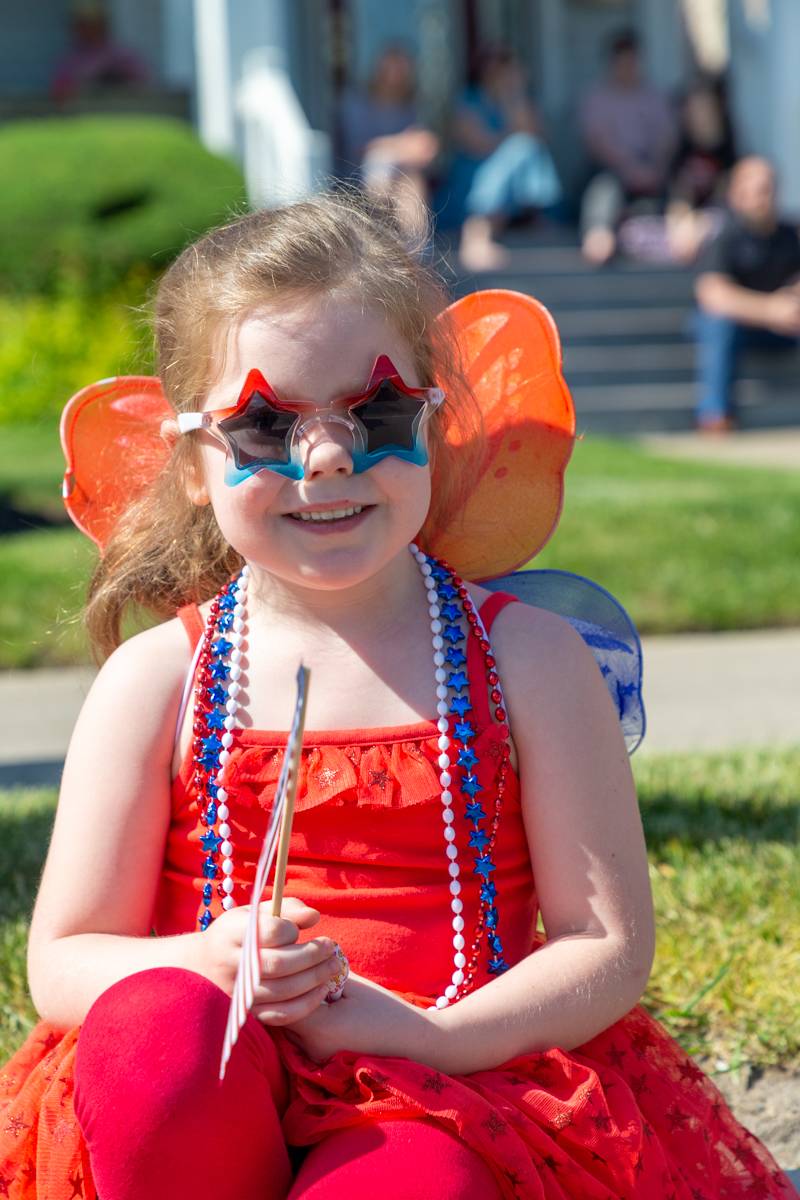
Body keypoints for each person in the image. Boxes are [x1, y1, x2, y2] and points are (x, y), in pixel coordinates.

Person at [0, 194, 794, 1200]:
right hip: (208, 1072)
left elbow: (604, 947)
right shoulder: (160, 681)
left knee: (415, 1184)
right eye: (261, 423)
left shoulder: (527, 663)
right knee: (152, 1047)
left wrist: (435, 1034)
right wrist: (205, 959)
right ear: (194, 461)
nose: (326, 455)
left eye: (371, 413)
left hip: (446, 1078)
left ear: (433, 417)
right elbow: (62, 959)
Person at [693, 156, 800, 432]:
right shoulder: (725, 234)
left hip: (781, 328)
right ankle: (715, 414)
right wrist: (770, 309)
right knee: (717, 323)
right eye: (754, 190)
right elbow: (712, 294)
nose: (762, 198)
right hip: (735, 326)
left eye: (767, 189)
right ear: (736, 194)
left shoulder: (789, 235)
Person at [445, 47, 562, 271]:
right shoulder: (468, 101)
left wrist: (513, 96)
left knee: (526, 147)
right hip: (472, 182)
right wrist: (513, 140)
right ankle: (478, 232)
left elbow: (536, 135)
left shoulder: (517, 100)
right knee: (519, 148)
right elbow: (480, 145)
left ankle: (524, 217)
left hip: (509, 181)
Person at [579, 29, 678, 265]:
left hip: (651, 168)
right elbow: (596, 142)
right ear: (612, 63)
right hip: (611, 167)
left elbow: (667, 137)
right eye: (622, 61)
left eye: (632, 60)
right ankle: (598, 234)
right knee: (603, 187)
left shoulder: (653, 96)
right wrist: (630, 168)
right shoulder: (597, 97)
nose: (628, 67)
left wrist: (656, 167)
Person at [338, 45, 439, 243]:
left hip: (402, 173)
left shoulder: (412, 107)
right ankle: (384, 238)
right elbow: (361, 148)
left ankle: (415, 248)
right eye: (390, 69)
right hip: (358, 176)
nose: (395, 77)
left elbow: (427, 148)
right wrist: (401, 143)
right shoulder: (355, 104)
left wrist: (392, 147)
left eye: (401, 71)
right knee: (379, 160)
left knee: (410, 179)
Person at [51, 3, 149, 104]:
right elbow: (59, 95)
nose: (88, 29)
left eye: (92, 24)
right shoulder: (70, 62)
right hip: (84, 113)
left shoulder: (122, 56)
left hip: (121, 111)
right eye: (83, 24)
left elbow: (143, 85)